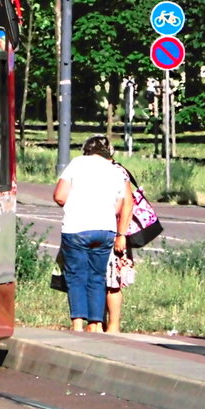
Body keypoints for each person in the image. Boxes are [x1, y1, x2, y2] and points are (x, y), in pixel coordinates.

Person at [53, 134, 133, 332]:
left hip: (77, 228)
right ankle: (96, 323)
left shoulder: (77, 163)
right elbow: (119, 206)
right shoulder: (116, 170)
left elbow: (60, 196)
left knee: (76, 276)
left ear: (86, 150)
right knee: (97, 277)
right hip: (105, 230)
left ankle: (77, 324)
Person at [105, 165, 137, 333]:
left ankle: (113, 326)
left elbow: (128, 203)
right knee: (100, 282)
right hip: (104, 230)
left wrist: (121, 234)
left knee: (113, 282)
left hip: (116, 232)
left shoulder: (118, 171)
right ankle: (98, 323)